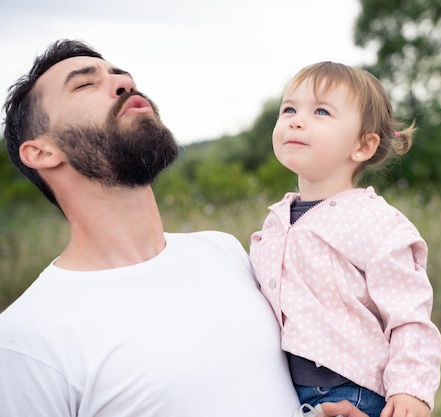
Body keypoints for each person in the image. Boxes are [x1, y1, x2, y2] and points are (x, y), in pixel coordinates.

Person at [0, 40, 367, 417]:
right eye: (84, 84)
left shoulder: (224, 253)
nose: (124, 81)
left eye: (120, 74)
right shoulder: (24, 341)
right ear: (41, 152)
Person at [250, 62, 441, 417]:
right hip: (284, 393)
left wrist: (411, 389)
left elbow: (409, 316)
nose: (296, 119)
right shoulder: (276, 221)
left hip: (353, 393)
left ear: (363, 145)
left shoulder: (376, 222)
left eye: (321, 111)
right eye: (289, 109)